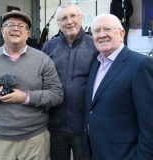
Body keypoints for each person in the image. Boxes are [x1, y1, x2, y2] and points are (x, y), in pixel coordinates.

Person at [0, 10, 63, 160]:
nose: (16, 28)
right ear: (2, 31)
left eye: (21, 26)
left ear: (28, 34)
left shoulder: (43, 60)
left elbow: (57, 94)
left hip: (34, 139)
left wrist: (26, 97)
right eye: (10, 25)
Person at [84, 13, 153, 159]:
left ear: (122, 33)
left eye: (107, 29)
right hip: (96, 152)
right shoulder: (96, 63)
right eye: (96, 31)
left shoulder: (140, 64)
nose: (102, 35)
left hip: (124, 154)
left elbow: (149, 121)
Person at [42, 2, 98, 160]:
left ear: (81, 18)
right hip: (55, 125)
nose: (69, 21)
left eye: (73, 16)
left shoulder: (94, 46)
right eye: (64, 18)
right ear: (58, 23)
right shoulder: (48, 47)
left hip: (84, 126)